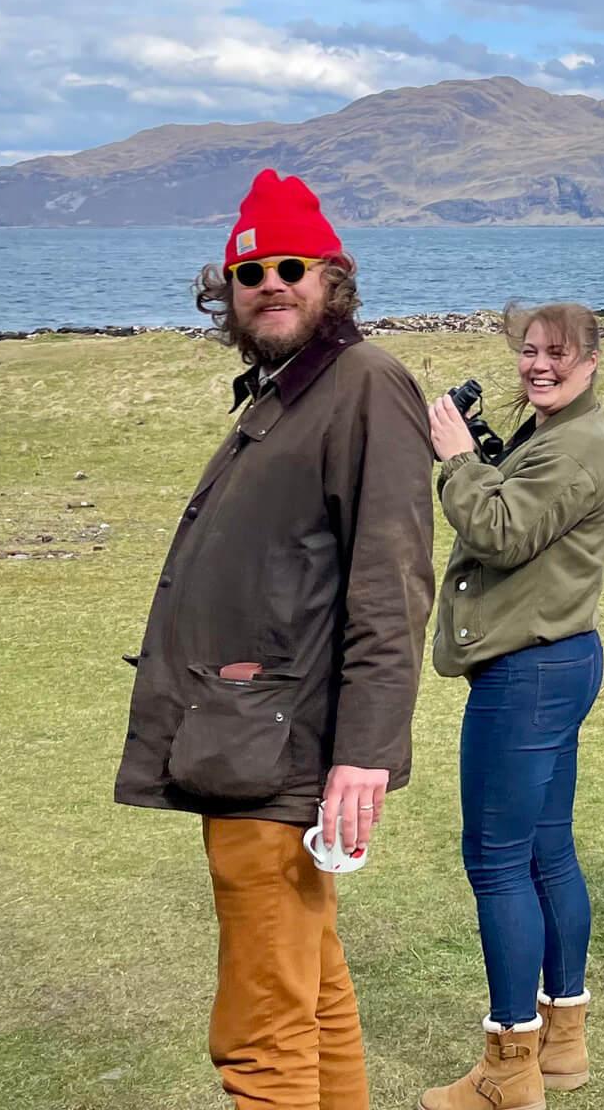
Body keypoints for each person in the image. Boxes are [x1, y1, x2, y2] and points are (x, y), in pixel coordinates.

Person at [114, 169, 434, 1109]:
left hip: (279, 744)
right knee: (313, 992)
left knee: (261, 1030)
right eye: (249, 271)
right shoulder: (282, 393)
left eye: (291, 266)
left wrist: (366, 754)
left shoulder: (365, 384)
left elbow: (393, 581)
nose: (270, 283)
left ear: (332, 278)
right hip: (245, 737)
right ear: (228, 290)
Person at [420, 303, 604, 1108]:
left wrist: (457, 459)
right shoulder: (562, 433)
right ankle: (561, 1043)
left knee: (497, 862)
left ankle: (508, 1069)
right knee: (546, 854)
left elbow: (502, 532)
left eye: (557, 354)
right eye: (529, 352)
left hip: (526, 678)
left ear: (592, 362)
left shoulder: (576, 447)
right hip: (558, 663)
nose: (538, 365)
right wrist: (486, 455)